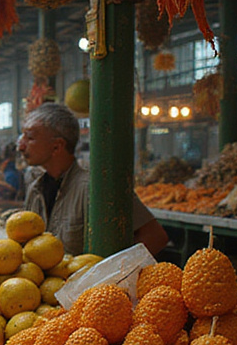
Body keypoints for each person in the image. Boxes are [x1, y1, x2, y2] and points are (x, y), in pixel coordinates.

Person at [18, 102, 169, 257]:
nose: (20, 146)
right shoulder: (35, 187)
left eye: (30, 138)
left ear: (57, 147)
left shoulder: (96, 188)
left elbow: (155, 237)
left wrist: (111, 272)